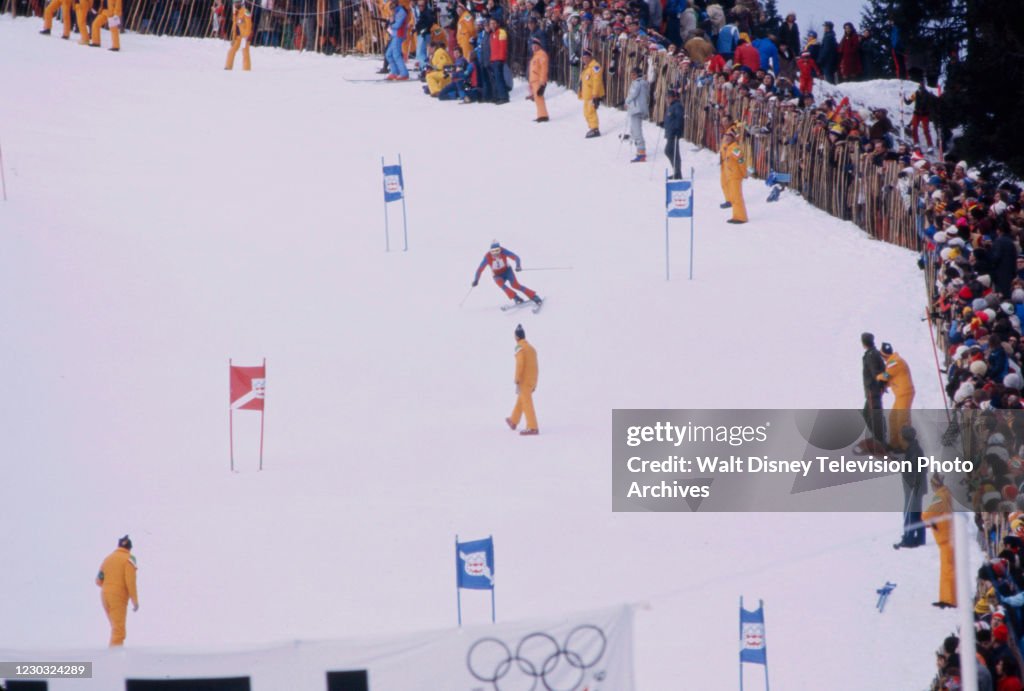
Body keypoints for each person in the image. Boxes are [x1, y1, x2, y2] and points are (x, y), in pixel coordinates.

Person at [96, 535, 139, 646]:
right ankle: (114, 659)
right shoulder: (130, 559)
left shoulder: (108, 559)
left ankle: (113, 653)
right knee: (119, 631)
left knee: (115, 628)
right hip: (118, 596)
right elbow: (130, 581)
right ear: (130, 548)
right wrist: (135, 601)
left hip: (104, 595)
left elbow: (98, 581)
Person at [472, 241, 542, 306]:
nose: (496, 253)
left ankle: (533, 296)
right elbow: (479, 269)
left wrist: (518, 265)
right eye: (493, 251)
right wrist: (476, 280)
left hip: (507, 271)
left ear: (500, 249)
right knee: (501, 284)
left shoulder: (503, 251)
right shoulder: (487, 257)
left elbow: (516, 257)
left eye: (497, 250)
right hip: (497, 275)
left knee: (515, 285)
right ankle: (515, 297)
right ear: (490, 251)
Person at [923, 473, 956, 608]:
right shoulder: (947, 494)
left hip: (945, 538)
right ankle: (948, 597)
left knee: (948, 570)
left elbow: (928, 514)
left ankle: (949, 599)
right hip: (949, 536)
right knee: (949, 568)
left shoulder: (939, 497)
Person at [877, 342, 915, 450]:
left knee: (902, 421)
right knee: (893, 418)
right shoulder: (893, 361)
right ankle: (895, 444)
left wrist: (878, 377)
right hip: (900, 395)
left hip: (905, 394)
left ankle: (906, 446)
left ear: (884, 355)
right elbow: (893, 378)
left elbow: (886, 375)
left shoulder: (895, 363)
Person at [894, 425, 926, 549]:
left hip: (913, 489)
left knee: (909, 514)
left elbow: (913, 470)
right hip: (916, 488)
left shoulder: (913, 451)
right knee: (916, 514)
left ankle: (909, 539)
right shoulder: (914, 449)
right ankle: (919, 538)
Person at [506, 323, 539, 435]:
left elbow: (520, 364)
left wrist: (517, 379)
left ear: (517, 337)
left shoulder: (519, 347)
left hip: (524, 379)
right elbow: (536, 366)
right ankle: (513, 420)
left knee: (526, 402)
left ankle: (532, 426)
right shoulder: (532, 349)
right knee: (522, 399)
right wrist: (535, 383)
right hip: (532, 379)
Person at [860, 332, 886, 452]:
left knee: (873, 416)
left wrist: (877, 386)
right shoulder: (873, 353)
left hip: (872, 391)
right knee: (867, 414)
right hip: (873, 391)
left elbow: (876, 373)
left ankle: (880, 443)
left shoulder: (871, 355)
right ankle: (878, 439)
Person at [719, 130, 747, 223]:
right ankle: (736, 215)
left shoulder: (735, 149)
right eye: (726, 136)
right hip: (730, 175)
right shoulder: (727, 147)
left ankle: (740, 217)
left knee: (736, 197)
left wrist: (743, 173)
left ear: (733, 138)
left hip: (735, 176)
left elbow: (741, 161)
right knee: (733, 197)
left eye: (729, 136)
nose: (727, 138)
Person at [625, 66, 650, 162]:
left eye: (634, 74)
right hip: (641, 109)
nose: (632, 76)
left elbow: (632, 94)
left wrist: (627, 102)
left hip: (636, 109)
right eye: (631, 74)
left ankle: (641, 152)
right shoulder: (644, 83)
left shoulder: (636, 84)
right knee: (635, 129)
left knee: (637, 131)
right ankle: (638, 146)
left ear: (638, 74)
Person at [579, 47, 604, 138]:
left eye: (586, 57)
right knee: (586, 112)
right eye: (583, 57)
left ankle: (595, 128)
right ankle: (592, 127)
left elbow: (597, 82)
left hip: (592, 95)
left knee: (590, 111)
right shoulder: (587, 68)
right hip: (586, 95)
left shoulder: (595, 67)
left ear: (590, 57)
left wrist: (595, 96)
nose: (584, 59)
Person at [384, 0, 411, 79]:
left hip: (399, 35)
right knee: (388, 54)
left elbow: (397, 25)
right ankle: (395, 72)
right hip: (394, 35)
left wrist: (391, 24)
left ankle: (404, 73)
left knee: (396, 55)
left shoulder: (401, 12)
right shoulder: (396, 11)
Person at [904, 81, 934, 150]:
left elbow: (933, 103)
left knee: (926, 130)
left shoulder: (928, 95)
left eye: (921, 89)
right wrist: (904, 98)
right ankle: (916, 143)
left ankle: (930, 145)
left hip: (925, 114)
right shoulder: (915, 93)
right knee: (914, 128)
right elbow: (909, 102)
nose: (920, 91)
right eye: (919, 89)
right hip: (917, 113)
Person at [225, 0, 253, 70]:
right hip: (238, 36)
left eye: (237, 2)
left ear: (241, 3)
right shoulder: (235, 13)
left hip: (245, 36)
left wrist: (246, 36)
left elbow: (249, 25)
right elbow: (235, 26)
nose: (236, 4)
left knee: (245, 52)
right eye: (235, 3)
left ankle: (246, 69)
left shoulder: (246, 12)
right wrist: (233, 38)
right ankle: (228, 67)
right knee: (231, 50)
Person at [663, 88, 684, 179]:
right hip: (670, 132)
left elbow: (679, 119)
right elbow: (670, 119)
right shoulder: (670, 106)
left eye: (669, 97)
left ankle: (677, 173)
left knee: (670, 151)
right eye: (667, 97)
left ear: (674, 97)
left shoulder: (677, 106)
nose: (668, 99)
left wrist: (677, 129)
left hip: (674, 133)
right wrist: (663, 124)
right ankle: (677, 172)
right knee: (670, 151)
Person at [488, 17, 510, 104]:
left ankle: (503, 97)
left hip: (499, 59)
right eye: (491, 23)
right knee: (497, 79)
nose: (492, 25)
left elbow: (503, 47)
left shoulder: (501, 32)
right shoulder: (492, 34)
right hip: (494, 59)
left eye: (494, 23)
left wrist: (501, 59)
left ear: (497, 24)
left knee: (499, 78)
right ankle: (501, 95)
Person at [527, 38, 549, 122]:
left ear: (539, 46)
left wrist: (542, 82)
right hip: (533, 80)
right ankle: (541, 114)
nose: (534, 47)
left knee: (539, 98)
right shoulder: (535, 56)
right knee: (537, 98)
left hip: (538, 80)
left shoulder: (542, 55)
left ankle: (543, 115)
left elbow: (544, 69)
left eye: (536, 46)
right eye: (533, 46)